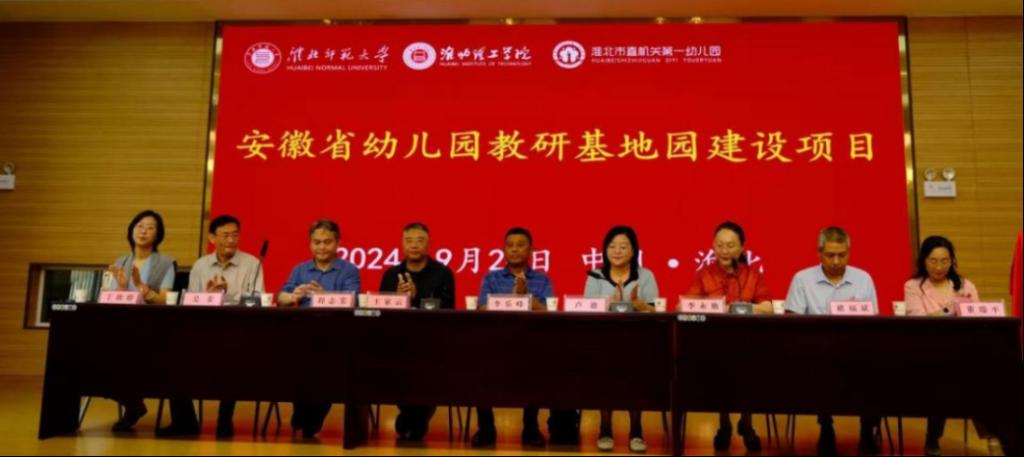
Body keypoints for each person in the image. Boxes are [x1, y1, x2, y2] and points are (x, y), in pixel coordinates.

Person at [783, 226, 881, 455]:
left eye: (842, 255)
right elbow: (792, 323)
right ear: (819, 253)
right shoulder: (802, 279)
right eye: (830, 255)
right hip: (816, 352)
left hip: (856, 351)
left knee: (876, 366)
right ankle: (826, 426)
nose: (836, 261)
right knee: (820, 366)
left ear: (849, 252)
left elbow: (873, 323)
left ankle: (867, 428)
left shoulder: (863, 278)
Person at [174, 214, 265, 439]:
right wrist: (209, 296)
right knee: (175, 356)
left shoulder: (252, 264)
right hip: (203, 331)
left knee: (232, 359)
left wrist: (227, 294)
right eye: (225, 235)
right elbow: (190, 302)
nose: (231, 240)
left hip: (238, 332)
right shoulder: (200, 265)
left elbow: (257, 302)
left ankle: (225, 418)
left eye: (235, 235)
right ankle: (185, 421)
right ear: (212, 238)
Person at [684, 221, 769, 451]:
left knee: (749, 368)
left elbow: (768, 307)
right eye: (720, 245)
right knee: (720, 367)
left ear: (742, 248)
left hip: (748, 342)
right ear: (713, 246)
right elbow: (686, 305)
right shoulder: (705, 274)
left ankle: (747, 423)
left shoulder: (752, 274)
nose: (724, 251)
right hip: (715, 342)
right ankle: (724, 424)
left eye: (730, 246)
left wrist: (741, 307)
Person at [471, 227, 554, 448]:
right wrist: (512, 299)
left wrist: (526, 296)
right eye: (510, 245)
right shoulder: (492, 277)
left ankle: (530, 428)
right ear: (504, 250)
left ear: (531, 250)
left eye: (520, 245)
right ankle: (486, 428)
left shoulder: (542, 279)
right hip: (495, 343)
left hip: (530, 344)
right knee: (478, 362)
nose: (514, 249)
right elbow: (481, 308)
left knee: (539, 364)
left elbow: (549, 311)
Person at [277, 219, 360, 438]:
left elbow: (353, 301)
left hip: (336, 334)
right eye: (316, 242)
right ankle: (302, 412)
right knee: (295, 363)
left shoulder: (349, 270)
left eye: (327, 242)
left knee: (328, 369)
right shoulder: (300, 269)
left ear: (338, 243)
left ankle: (312, 419)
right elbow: (281, 297)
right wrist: (293, 296)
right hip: (303, 333)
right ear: (310, 243)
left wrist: (324, 296)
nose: (321, 247)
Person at [584, 225, 658, 453]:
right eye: (612, 246)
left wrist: (640, 305)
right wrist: (608, 303)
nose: (617, 251)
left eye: (623, 246)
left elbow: (656, 310)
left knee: (636, 372)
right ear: (605, 250)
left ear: (633, 250)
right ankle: (605, 429)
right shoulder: (595, 275)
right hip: (603, 340)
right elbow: (586, 309)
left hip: (637, 340)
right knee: (603, 372)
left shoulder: (645, 275)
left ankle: (636, 430)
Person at [378, 222, 455, 442]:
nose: (414, 245)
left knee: (428, 371)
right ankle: (413, 420)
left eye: (419, 240)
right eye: (409, 240)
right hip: (398, 343)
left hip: (432, 343)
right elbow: (380, 311)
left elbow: (448, 310)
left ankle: (411, 421)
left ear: (428, 244)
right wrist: (399, 299)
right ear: (402, 244)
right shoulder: (391, 274)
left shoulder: (443, 273)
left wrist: (416, 297)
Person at [905, 236, 979, 456]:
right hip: (928, 352)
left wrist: (945, 313)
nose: (939, 267)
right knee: (941, 378)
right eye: (933, 261)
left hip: (962, 351)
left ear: (952, 261)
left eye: (945, 261)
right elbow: (918, 320)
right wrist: (951, 310)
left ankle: (996, 437)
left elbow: (975, 317)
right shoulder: (913, 286)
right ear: (923, 261)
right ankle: (933, 436)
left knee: (986, 379)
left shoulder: (965, 285)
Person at [107, 210, 177, 432]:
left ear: (158, 235)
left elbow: (166, 299)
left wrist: (141, 288)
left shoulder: (166, 263)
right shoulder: (121, 261)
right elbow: (112, 300)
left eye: (150, 227)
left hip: (152, 329)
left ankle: (132, 406)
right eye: (139, 226)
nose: (143, 231)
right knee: (97, 358)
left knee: (127, 358)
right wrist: (121, 286)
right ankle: (134, 404)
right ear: (131, 231)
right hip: (121, 327)